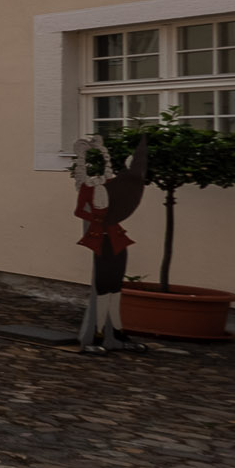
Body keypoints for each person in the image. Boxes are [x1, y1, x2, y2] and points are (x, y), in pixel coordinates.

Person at [72, 135, 150, 353]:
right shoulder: (87, 188)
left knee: (115, 289)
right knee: (104, 288)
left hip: (116, 238)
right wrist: (82, 154)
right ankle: (97, 335)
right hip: (102, 240)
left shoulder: (110, 184)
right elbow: (81, 203)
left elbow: (111, 174)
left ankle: (116, 332)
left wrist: (102, 151)